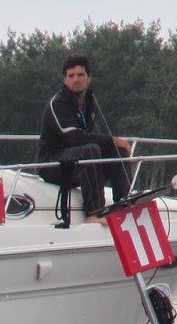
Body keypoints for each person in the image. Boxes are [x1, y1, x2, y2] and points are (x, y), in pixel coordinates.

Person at [37, 53, 133, 221]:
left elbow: (87, 138)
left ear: (89, 78)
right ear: (65, 80)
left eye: (81, 75)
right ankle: (95, 213)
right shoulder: (58, 103)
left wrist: (115, 145)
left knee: (118, 151)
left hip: (76, 161)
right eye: (71, 75)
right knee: (90, 150)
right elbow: (74, 137)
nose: (76, 79)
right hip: (52, 164)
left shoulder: (89, 102)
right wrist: (113, 140)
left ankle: (124, 206)